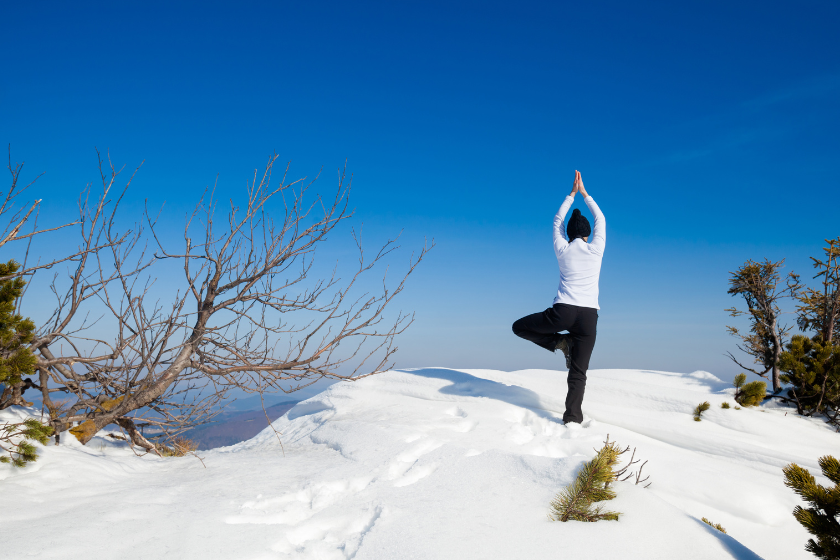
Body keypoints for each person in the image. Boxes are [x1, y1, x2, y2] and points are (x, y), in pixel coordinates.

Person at [511, 170, 606, 425]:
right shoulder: (596, 250)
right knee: (579, 373)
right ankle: (572, 419)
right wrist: (585, 194)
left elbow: (556, 222)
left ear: (569, 234)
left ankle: (560, 343)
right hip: (588, 317)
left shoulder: (562, 249)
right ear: (586, 234)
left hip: (562, 312)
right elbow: (601, 219)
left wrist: (571, 195)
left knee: (519, 327)